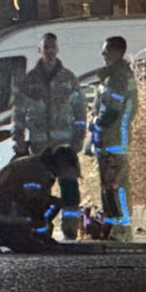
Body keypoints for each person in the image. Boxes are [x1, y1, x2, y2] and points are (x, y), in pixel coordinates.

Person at [10, 32, 87, 239]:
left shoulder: (69, 79)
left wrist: (78, 139)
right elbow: (18, 113)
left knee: (69, 187)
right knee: (39, 190)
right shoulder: (30, 81)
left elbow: (80, 111)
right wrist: (18, 140)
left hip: (65, 145)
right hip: (40, 145)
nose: (50, 51)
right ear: (40, 51)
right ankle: (41, 229)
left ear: (57, 50)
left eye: (52, 47)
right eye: (46, 48)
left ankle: (70, 229)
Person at [0, 145, 80, 253]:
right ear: (62, 164)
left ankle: (4, 235)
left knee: (53, 204)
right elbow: (35, 205)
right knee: (29, 242)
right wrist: (39, 235)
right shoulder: (36, 172)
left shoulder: (37, 165)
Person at [88, 36, 138, 242]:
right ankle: (113, 225)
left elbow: (112, 110)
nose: (103, 54)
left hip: (114, 139)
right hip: (109, 139)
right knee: (110, 185)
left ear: (117, 52)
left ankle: (123, 228)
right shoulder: (114, 76)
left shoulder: (118, 77)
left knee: (117, 184)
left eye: (106, 50)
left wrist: (97, 125)